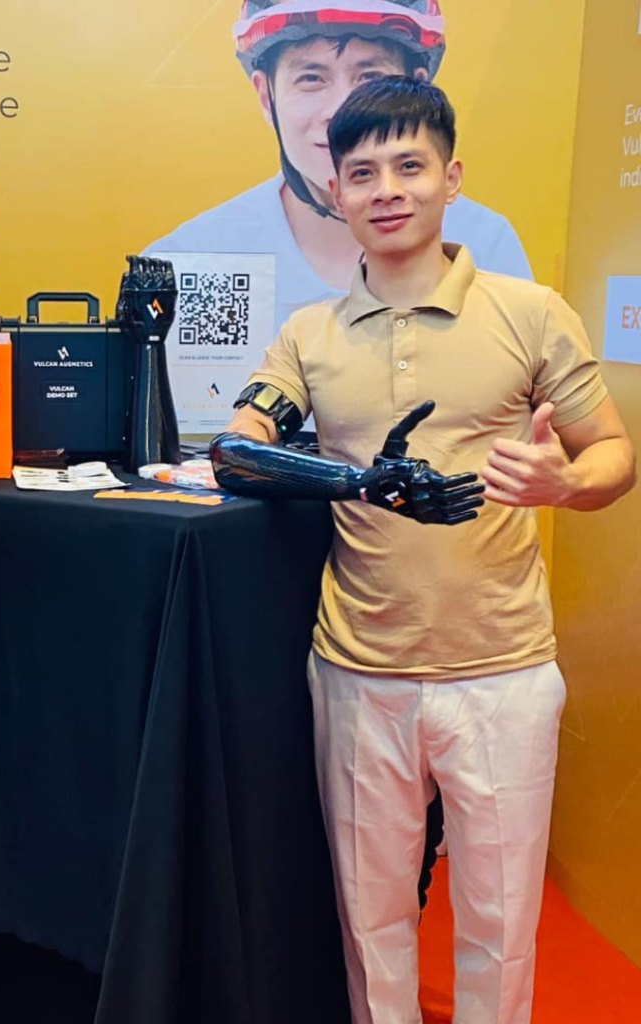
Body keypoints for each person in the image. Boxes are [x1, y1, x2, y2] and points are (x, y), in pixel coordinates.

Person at [209, 76, 635, 1024]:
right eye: (362, 172)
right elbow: (236, 453)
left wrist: (567, 482)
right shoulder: (309, 335)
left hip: (504, 671)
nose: (387, 188)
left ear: (452, 177)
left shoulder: (531, 312)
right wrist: (358, 482)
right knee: (371, 920)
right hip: (360, 671)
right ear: (335, 192)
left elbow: (613, 452)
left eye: (410, 165)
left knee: (499, 918)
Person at [145, 0, 532, 334]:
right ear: (267, 97)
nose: (341, 113)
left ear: (418, 89)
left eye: (371, 77)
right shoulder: (190, 260)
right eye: (311, 78)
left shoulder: (487, 248)